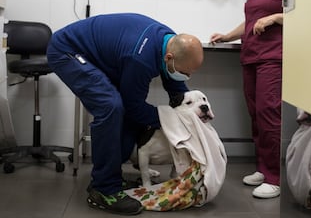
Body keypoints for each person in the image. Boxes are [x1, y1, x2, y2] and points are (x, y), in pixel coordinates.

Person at [46, 13, 204, 215]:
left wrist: (191, 115)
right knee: (110, 106)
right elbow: (133, 106)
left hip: (99, 56)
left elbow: (176, 88)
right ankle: (103, 188)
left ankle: (113, 174)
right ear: (169, 57)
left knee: (126, 107)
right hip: (67, 50)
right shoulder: (141, 58)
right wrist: (169, 120)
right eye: (186, 72)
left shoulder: (169, 43)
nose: (187, 76)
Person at [210, 0, 283, 199]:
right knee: (255, 116)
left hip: (272, 57)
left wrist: (275, 17)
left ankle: (275, 178)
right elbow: (250, 20)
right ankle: (263, 169)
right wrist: (229, 35)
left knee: (268, 114)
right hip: (250, 56)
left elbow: (303, 15)